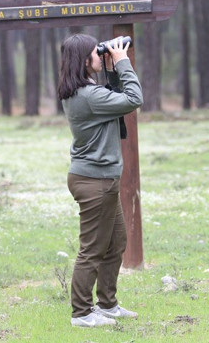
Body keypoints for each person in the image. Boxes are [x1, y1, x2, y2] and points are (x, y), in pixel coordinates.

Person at [57, 33, 143, 328]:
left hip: (97, 178)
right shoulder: (89, 96)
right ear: (85, 60)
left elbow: (117, 100)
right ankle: (81, 313)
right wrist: (123, 62)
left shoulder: (83, 92)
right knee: (92, 249)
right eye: (97, 52)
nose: (100, 54)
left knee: (115, 242)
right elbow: (133, 99)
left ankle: (107, 304)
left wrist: (111, 67)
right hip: (95, 181)